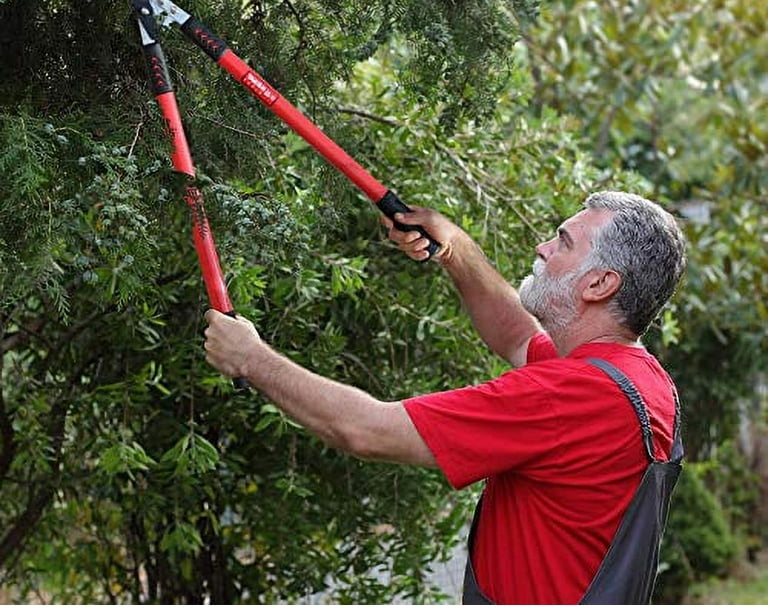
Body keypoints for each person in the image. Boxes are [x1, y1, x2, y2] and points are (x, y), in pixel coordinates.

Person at [204, 190, 687, 604]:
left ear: (600, 284)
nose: (541, 248)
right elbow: (518, 334)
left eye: (562, 243)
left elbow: (367, 430)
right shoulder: (636, 381)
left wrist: (251, 358)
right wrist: (455, 248)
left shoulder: (569, 395)